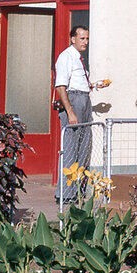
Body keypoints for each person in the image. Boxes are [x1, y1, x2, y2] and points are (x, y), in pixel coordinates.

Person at [54, 25, 109, 203]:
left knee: (83, 148)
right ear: (73, 39)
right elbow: (61, 86)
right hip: (73, 102)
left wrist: (95, 85)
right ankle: (65, 194)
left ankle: (78, 190)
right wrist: (70, 112)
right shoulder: (66, 57)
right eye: (82, 38)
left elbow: (80, 83)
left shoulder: (79, 59)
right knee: (70, 148)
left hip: (84, 100)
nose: (85, 42)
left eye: (87, 39)